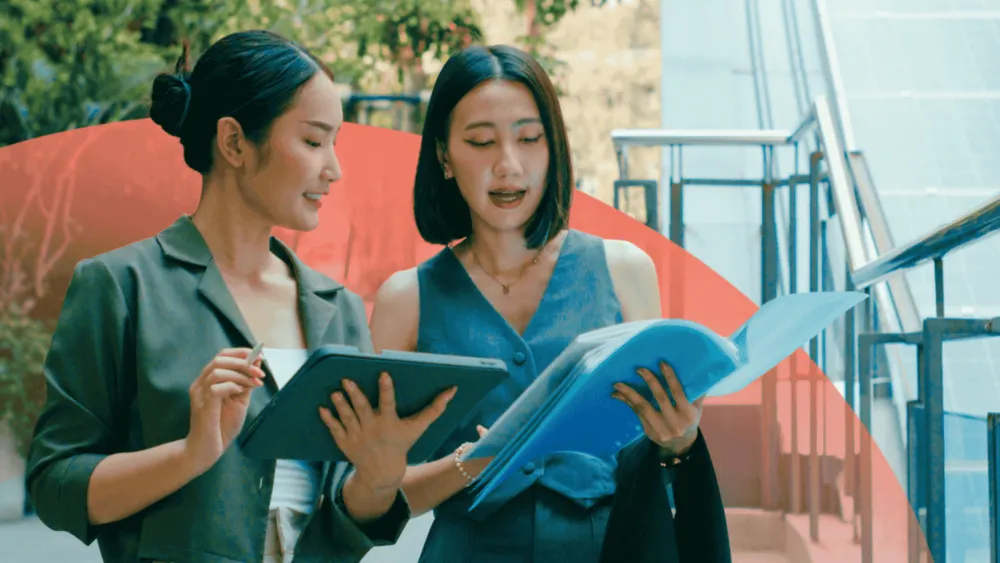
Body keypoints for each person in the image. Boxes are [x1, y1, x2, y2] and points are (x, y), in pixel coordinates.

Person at [24, 30, 456, 563]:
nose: (333, 169)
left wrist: (380, 475)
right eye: (313, 142)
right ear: (233, 143)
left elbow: (347, 521)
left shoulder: (338, 308)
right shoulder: (120, 286)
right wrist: (188, 455)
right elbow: (55, 486)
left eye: (335, 144)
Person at [368, 44, 733, 563]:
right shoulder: (406, 299)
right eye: (480, 142)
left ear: (553, 147)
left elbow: (652, 465)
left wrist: (678, 441)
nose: (508, 165)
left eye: (529, 138)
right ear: (444, 156)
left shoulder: (624, 269)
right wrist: (474, 462)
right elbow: (374, 499)